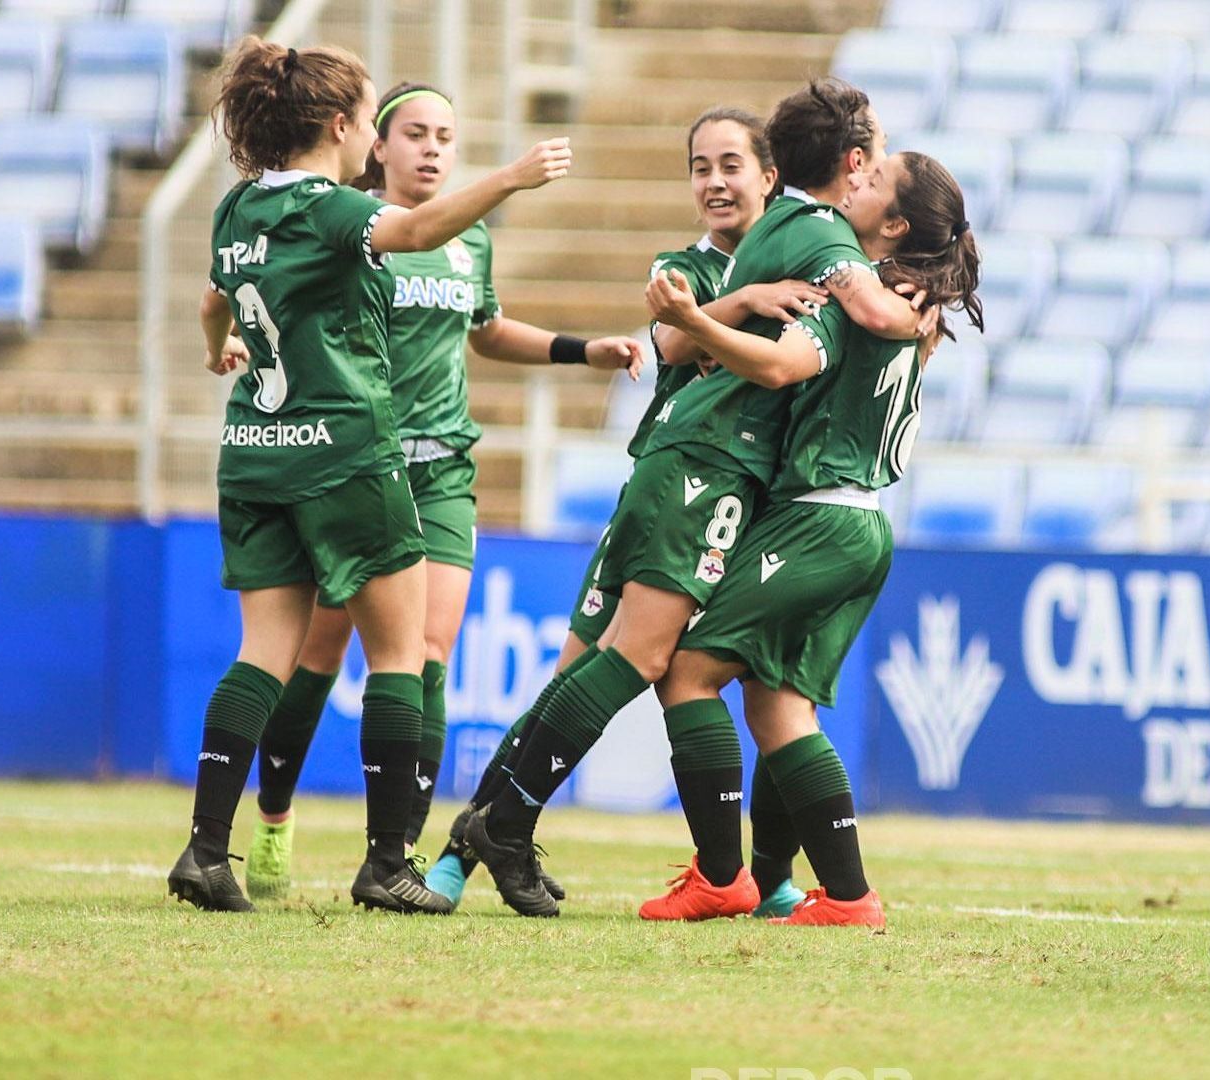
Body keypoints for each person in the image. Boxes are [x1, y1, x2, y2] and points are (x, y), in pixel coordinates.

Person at [457, 77, 930, 917]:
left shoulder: (800, 238)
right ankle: (499, 830)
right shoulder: (818, 242)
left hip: (734, 472)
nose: (714, 181)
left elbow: (763, 346)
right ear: (849, 163)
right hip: (709, 462)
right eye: (699, 166)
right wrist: (921, 308)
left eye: (729, 164)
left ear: (771, 173)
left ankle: (731, 873)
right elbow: (724, 340)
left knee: (679, 671)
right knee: (647, 662)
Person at [167, 36, 570, 915]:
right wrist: (509, 178)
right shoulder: (335, 210)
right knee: (400, 656)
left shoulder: (237, 207)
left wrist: (217, 349)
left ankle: (204, 851)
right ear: (343, 127)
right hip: (346, 454)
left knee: (261, 655)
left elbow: (211, 301)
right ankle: (388, 863)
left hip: (256, 451)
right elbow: (416, 230)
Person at [233, 80, 644, 904]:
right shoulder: (352, 228)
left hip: (444, 469)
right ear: (377, 146)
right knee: (318, 654)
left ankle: (398, 853)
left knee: (428, 654)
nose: (431, 149)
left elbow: (486, 330)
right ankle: (273, 815)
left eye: (445, 137)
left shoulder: (468, 238)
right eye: (415, 133)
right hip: (355, 465)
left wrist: (580, 350)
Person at [641, 150, 981, 927]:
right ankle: (847, 897)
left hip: (818, 516)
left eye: (874, 180)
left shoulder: (860, 296)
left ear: (896, 225)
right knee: (777, 705)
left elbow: (780, 366)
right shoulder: (911, 302)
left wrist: (695, 322)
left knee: (687, 674)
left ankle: (720, 878)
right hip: (861, 522)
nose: (855, 182)